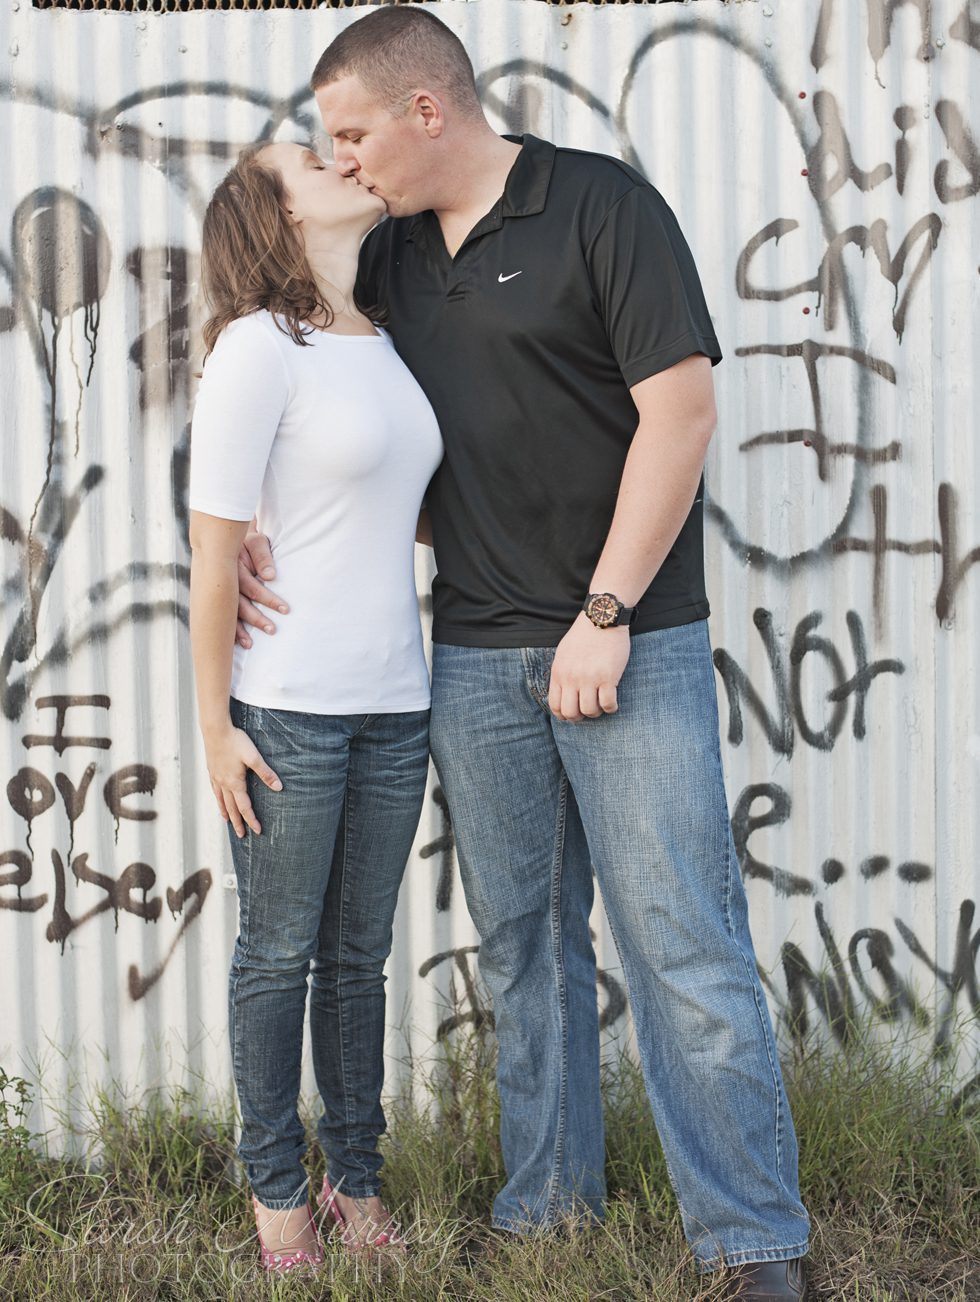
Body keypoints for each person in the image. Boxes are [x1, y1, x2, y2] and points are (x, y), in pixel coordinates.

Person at [234, 9, 810, 1298]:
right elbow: (327, 406)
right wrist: (253, 534)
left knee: (680, 944)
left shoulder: (601, 207)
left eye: (352, 131)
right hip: (476, 657)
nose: (342, 158)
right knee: (522, 945)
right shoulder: (383, 262)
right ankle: (546, 1206)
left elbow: (682, 413)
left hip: (628, 641)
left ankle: (752, 1245)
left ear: (425, 112)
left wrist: (602, 615)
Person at [187, 138, 442, 1273]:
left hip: (397, 705)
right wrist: (214, 728)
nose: (339, 160)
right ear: (277, 216)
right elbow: (214, 553)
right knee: (278, 955)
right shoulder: (256, 349)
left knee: (357, 960)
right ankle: (276, 1191)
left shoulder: (385, 345)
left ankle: (357, 1179)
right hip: (286, 710)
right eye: (307, 158)